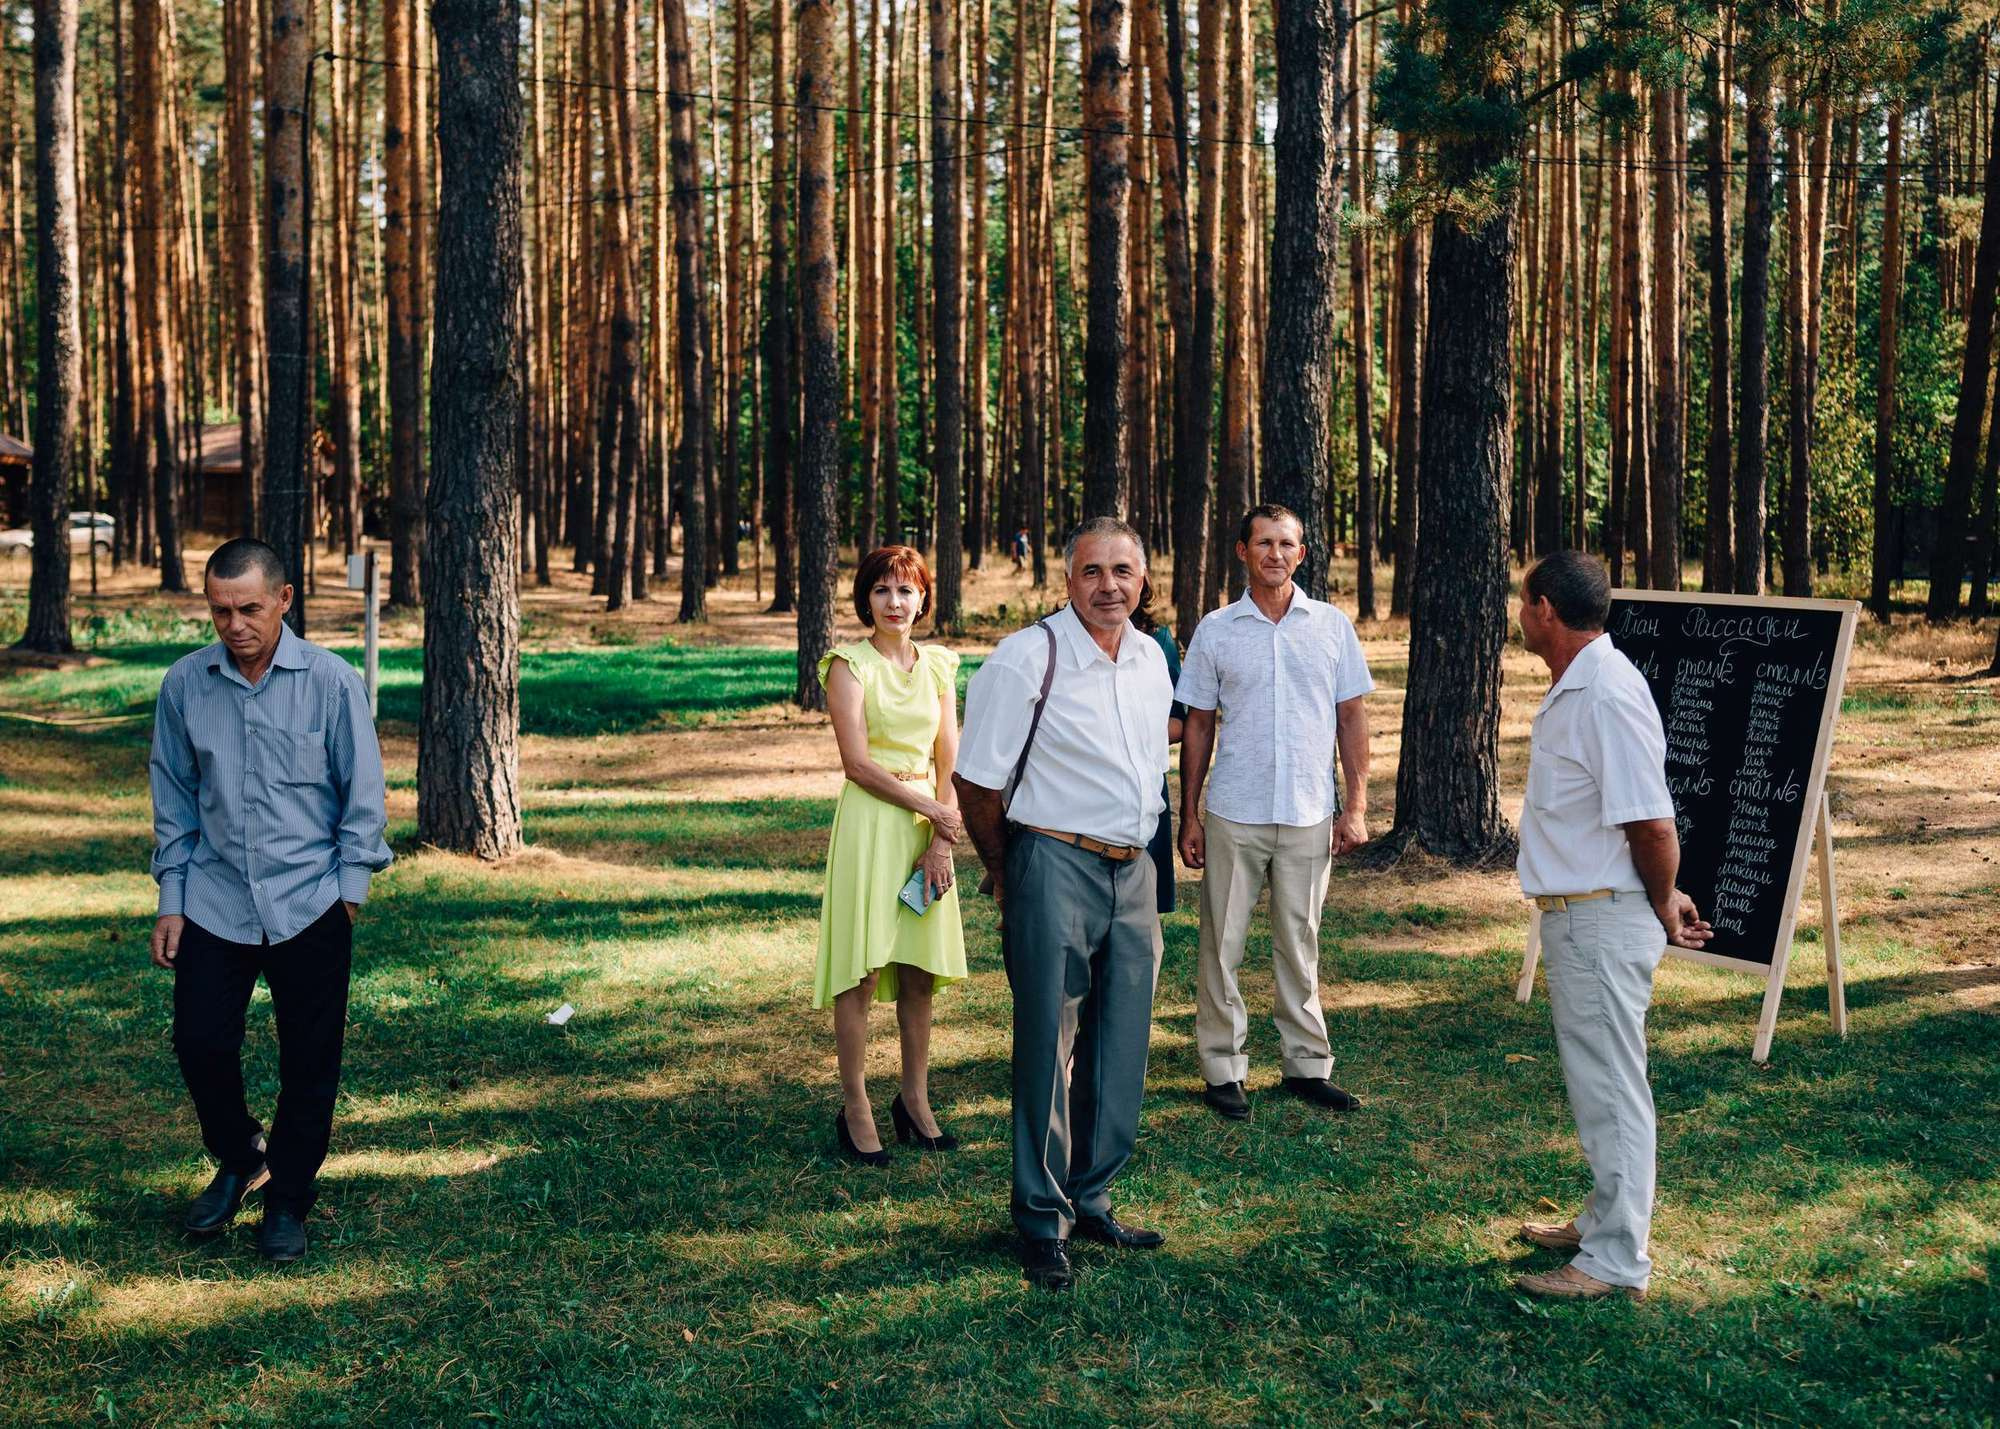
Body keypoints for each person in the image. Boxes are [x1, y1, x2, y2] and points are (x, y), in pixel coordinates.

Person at [148, 538, 392, 1263]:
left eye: (249, 607)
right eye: (219, 610)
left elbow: (363, 797)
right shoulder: (185, 686)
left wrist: (347, 896)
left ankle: (287, 1196)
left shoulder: (331, 682)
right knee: (199, 1041)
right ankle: (241, 1153)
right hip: (217, 899)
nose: (234, 624)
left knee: (310, 1062)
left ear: (284, 600)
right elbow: (175, 798)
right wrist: (172, 896)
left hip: (309, 902)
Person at [955, 517, 1175, 1292]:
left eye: (1124, 570)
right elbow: (976, 781)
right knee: (1048, 1042)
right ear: (1068, 579)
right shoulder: (1026, 658)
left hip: (1133, 871)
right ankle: (1042, 1220)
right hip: (1052, 859)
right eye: (1092, 571)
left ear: (1143, 578)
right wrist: (1007, 869)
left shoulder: (1152, 658)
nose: (1109, 585)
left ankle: (1093, 1196)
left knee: (1123, 1041)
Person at [1512, 550, 1712, 1303]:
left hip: (1600, 916)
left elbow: (1653, 823)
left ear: (1545, 610)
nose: (1521, 613)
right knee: (1595, 1082)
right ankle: (1601, 1217)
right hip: (1581, 912)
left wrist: (1664, 899)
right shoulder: (1580, 683)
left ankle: (1614, 1259)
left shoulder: (1606, 693)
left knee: (1612, 1088)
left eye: (1524, 601)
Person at [1176, 505, 1373, 1122]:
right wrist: (1191, 814)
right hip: (1236, 809)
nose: (1276, 554)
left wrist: (1356, 808)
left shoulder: (1332, 627)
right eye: (1264, 543)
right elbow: (1199, 724)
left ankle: (1307, 1066)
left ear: (1302, 553)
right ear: (1242, 551)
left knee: (1300, 941)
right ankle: (1222, 1068)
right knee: (1222, 945)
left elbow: (1351, 719)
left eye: (1287, 544)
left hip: (1311, 811)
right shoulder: (1216, 630)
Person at [815, 546, 968, 1166]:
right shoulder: (847, 666)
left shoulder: (938, 666)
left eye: (907, 590)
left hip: (927, 826)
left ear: (924, 598)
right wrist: (933, 810)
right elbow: (857, 764)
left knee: (919, 971)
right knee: (864, 967)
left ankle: (915, 1099)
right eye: (882, 591)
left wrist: (940, 836)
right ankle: (855, 1108)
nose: (895, 602)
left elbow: (951, 757)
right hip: (873, 825)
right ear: (866, 600)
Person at [1130, 583, 1186, 914]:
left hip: (1144, 782)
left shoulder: (1157, 640)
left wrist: (1124, 735)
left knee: (1142, 902)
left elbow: (1179, 721)